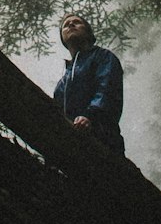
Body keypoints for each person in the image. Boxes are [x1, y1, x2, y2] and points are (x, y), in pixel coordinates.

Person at [53, 12, 124, 155]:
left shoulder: (103, 57)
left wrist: (90, 116)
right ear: (63, 39)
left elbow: (107, 90)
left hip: (104, 138)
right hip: (72, 148)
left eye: (77, 22)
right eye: (66, 25)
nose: (71, 25)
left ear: (88, 33)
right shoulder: (63, 82)